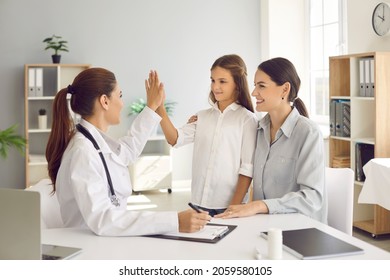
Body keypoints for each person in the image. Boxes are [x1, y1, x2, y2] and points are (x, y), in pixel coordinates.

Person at [45, 67, 210, 236]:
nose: (122, 103)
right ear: (105, 101)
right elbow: (103, 220)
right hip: (91, 245)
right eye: (120, 95)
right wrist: (174, 221)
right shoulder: (83, 152)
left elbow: (128, 149)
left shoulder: (94, 143)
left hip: (105, 239)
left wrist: (152, 106)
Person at [216, 57, 327, 223]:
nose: (254, 92)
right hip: (264, 226)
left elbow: (312, 198)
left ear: (284, 89)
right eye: (255, 85)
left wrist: (258, 206)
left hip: (300, 228)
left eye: (261, 86)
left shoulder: (309, 133)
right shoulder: (259, 129)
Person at [151, 54, 258, 216]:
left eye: (222, 81)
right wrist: (159, 107)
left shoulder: (247, 119)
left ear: (237, 84)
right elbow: (174, 138)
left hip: (228, 206)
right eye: (213, 80)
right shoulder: (202, 117)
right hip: (198, 203)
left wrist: (233, 207)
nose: (215, 87)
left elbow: (247, 168)